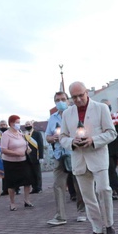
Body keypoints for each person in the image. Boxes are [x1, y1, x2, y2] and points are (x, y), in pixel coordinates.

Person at [59, 82, 117, 234]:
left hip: (98, 156)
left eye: (80, 95)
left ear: (87, 93)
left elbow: (112, 133)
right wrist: (72, 141)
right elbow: (62, 136)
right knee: (88, 197)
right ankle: (97, 229)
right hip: (79, 159)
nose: (78, 99)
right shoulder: (67, 114)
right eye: (74, 97)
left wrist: (93, 140)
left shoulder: (101, 108)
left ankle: (109, 225)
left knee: (103, 190)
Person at [45, 92, 78, 225]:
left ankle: (82, 211)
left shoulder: (74, 113)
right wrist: (52, 138)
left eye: (63, 99)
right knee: (58, 185)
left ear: (68, 100)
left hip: (74, 153)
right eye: (57, 100)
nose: (60, 102)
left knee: (79, 184)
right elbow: (47, 136)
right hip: (59, 154)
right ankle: (60, 216)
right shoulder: (52, 118)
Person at [0, 115, 34, 211]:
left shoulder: (20, 133)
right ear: (11, 123)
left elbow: (24, 144)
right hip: (11, 162)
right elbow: (3, 150)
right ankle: (12, 203)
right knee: (12, 183)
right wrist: (16, 153)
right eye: (17, 122)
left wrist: (28, 149)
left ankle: (27, 200)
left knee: (27, 181)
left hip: (23, 161)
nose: (19, 124)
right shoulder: (6, 135)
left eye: (19, 122)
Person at [24, 121, 45, 194]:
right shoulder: (25, 135)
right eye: (26, 124)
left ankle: (39, 187)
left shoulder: (37, 133)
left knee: (37, 173)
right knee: (31, 173)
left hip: (36, 156)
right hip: (28, 157)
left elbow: (40, 145)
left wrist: (41, 157)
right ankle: (34, 188)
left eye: (29, 124)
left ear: (32, 125)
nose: (27, 125)